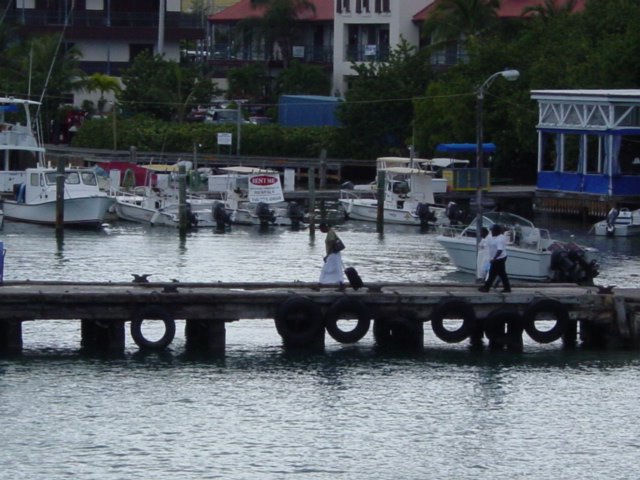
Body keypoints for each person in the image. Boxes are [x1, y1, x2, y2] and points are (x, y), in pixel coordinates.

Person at [478, 224, 511, 293]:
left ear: (496, 231)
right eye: (491, 230)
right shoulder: (492, 236)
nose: (491, 231)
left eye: (492, 230)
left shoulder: (499, 239)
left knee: (492, 273)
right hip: (498, 258)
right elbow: (487, 238)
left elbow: (500, 250)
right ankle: (507, 288)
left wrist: (494, 258)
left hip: (499, 259)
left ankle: (486, 288)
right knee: (502, 274)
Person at [318, 223, 344, 289]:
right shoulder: (330, 232)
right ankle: (340, 285)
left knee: (326, 269)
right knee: (336, 270)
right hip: (334, 254)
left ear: (324, 227)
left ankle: (320, 285)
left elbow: (332, 243)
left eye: (321, 229)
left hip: (333, 255)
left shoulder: (330, 233)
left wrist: (327, 255)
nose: (321, 231)